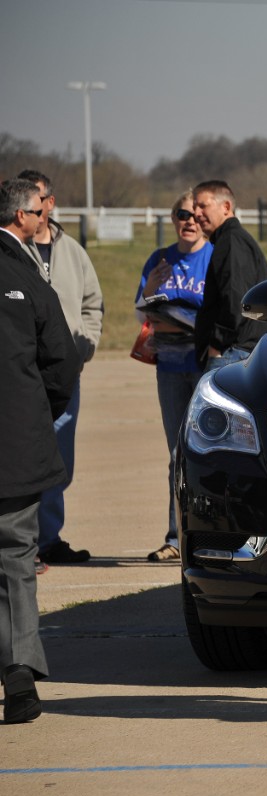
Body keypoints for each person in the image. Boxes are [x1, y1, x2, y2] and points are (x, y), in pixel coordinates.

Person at [0, 178, 81, 723]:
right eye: (39, 213)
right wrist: (37, 413)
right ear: (22, 217)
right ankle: (20, 677)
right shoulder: (26, 275)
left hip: (17, 437)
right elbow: (61, 360)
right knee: (15, 560)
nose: (43, 221)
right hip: (15, 443)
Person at [15, 170, 104, 568]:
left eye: (37, 202)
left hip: (65, 372)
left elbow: (92, 302)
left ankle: (49, 538)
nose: (32, 212)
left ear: (50, 203)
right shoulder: (13, 251)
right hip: (23, 375)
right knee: (23, 456)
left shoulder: (73, 251)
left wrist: (84, 345)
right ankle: (23, 543)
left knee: (59, 459)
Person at [134, 191, 212, 562]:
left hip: (203, 363)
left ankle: (210, 534)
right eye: (182, 214)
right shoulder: (159, 259)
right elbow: (141, 311)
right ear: (173, 218)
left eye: (196, 214)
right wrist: (152, 287)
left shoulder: (214, 258)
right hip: (169, 365)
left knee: (209, 453)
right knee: (177, 454)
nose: (190, 221)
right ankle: (176, 538)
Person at [190, 180, 267, 372]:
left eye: (203, 205)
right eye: (195, 207)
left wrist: (216, 346)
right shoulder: (229, 240)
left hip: (232, 353)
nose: (196, 213)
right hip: (235, 350)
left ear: (226, 207)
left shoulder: (231, 242)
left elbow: (236, 300)